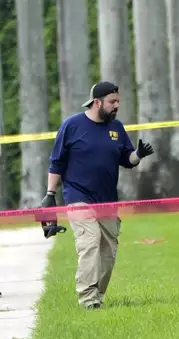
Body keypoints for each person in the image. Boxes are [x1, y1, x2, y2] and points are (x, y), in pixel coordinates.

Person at [41, 81, 155, 310]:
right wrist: (50, 194)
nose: (117, 106)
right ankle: (88, 299)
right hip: (77, 196)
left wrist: (138, 155)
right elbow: (57, 163)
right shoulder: (72, 126)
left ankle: (97, 296)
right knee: (90, 241)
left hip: (107, 200)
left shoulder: (117, 128)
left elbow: (126, 160)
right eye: (112, 102)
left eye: (118, 102)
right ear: (97, 102)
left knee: (108, 251)